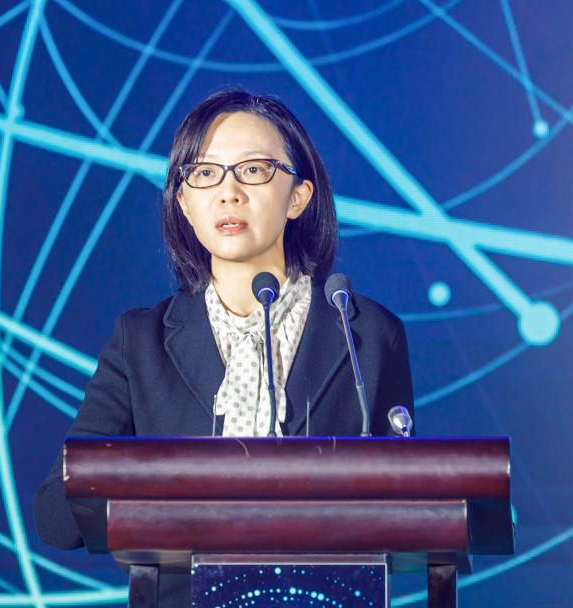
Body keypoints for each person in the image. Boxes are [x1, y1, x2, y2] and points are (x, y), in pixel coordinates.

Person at [33, 88, 414, 606]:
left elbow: (409, 511)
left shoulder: (365, 332)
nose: (228, 192)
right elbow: (57, 515)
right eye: (205, 173)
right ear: (184, 203)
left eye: (253, 170)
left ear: (298, 197)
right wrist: (169, 478)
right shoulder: (140, 342)